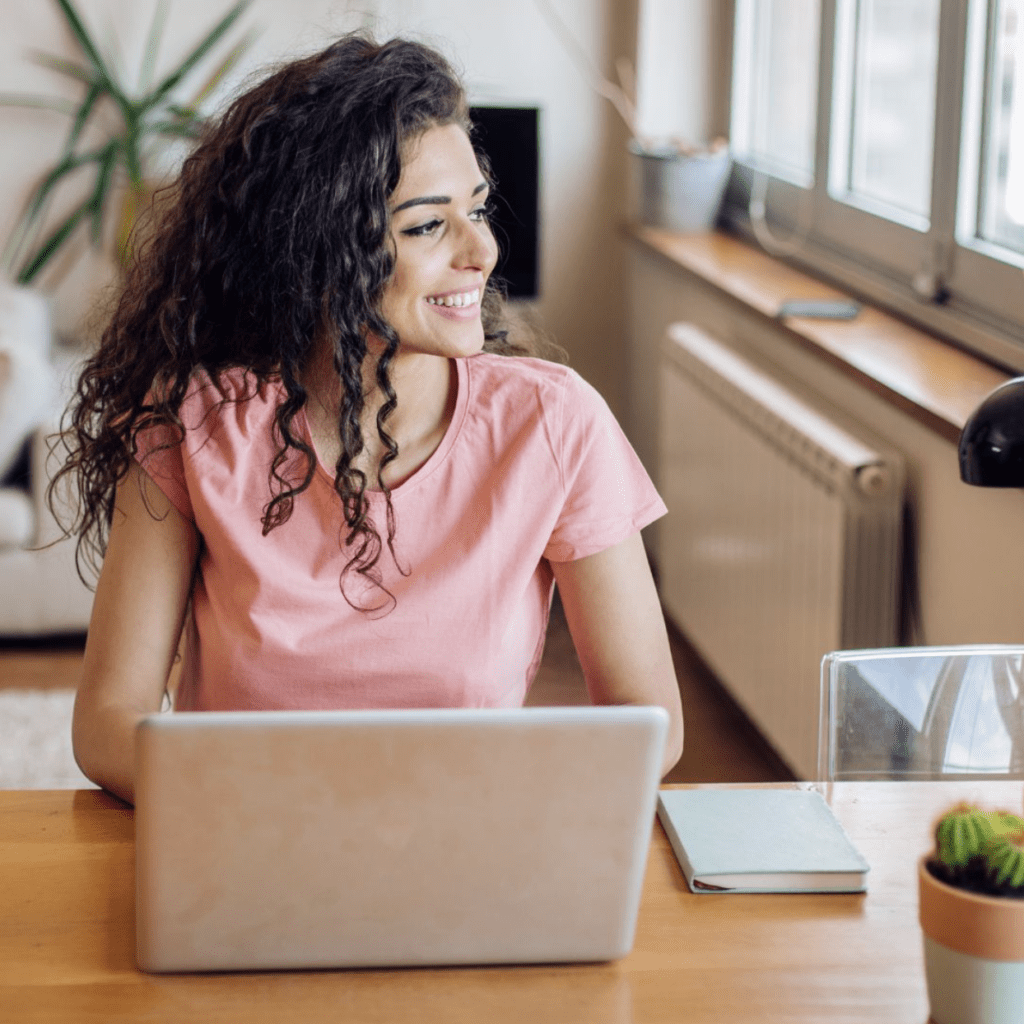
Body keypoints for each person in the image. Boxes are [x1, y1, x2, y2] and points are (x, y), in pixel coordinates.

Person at [58, 33, 683, 805]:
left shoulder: (555, 424)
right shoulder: (193, 427)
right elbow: (106, 724)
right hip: (248, 849)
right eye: (427, 226)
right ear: (317, 249)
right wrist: (283, 798)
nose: (481, 249)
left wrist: (503, 801)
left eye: (477, 210)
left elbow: (648, 720)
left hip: (463, 850)